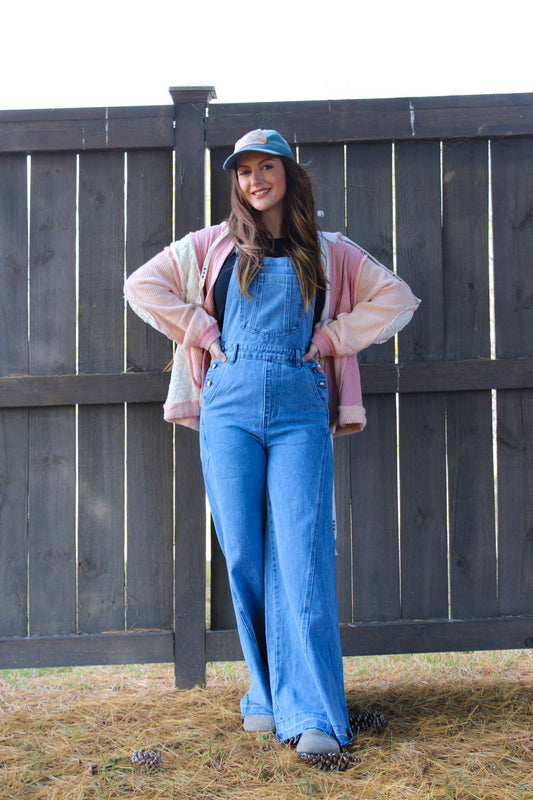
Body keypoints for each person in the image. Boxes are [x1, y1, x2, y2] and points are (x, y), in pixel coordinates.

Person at [124, 129, 420, 756]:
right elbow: (141, 285)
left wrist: (332, 338)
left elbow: (396, 297)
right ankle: (265, 694)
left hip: (299, 409)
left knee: (301, 552)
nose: (255, 180)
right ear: (235, 181)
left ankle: (314, 714)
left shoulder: (328, 250)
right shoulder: (211, 247)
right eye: (244, 171)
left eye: (266, 167)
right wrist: (203, 330)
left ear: (287, 173)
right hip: (227, 405)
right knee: (242, 554)